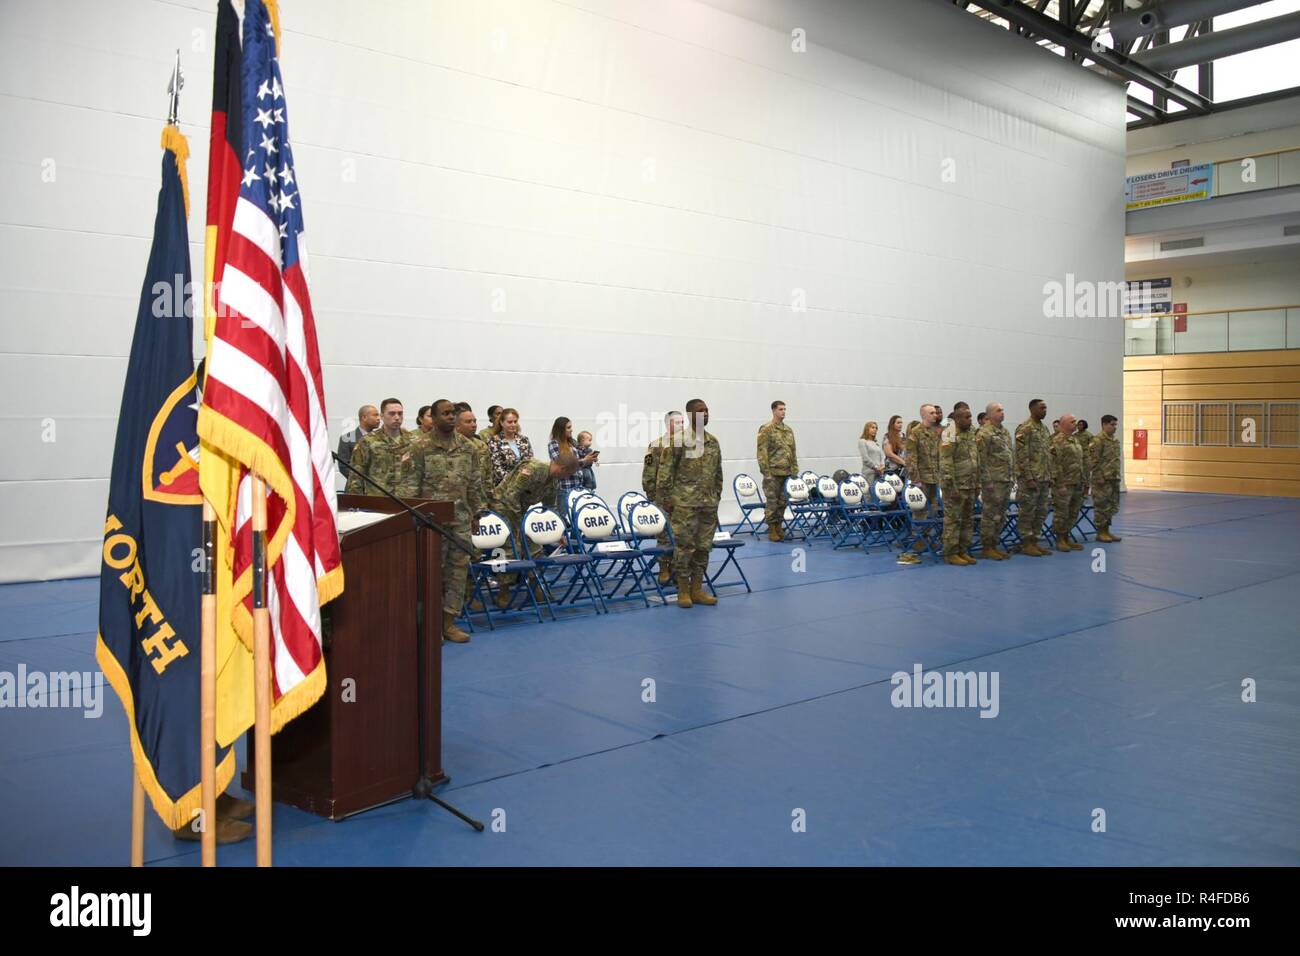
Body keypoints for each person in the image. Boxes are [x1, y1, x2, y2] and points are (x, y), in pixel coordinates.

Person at [412, 400, 483, 643]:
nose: (451, 417)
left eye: (453, 413)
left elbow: (474, 482)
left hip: (460, 519)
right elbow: (410, 486)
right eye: (445, 414)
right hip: (430, 522)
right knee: (432, 574)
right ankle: (429, 626)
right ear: (432, 417)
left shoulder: (467, 447)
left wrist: (477, 513)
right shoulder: (419, 446)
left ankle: (448, 624)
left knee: (457, 573)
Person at [487, 453, 580, 608]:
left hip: (520, 511)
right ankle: (503, 592)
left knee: (534, 545)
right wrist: (520, 524)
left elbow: (550, 509)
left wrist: (557, 533)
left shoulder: (554, 481)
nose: (567, 478)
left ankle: (535, 586)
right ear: (562, 468)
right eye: (568, 474)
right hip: (502, 507)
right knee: (511, 547)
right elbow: (511, 495)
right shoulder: (533, 469)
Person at [663, 399, 723, 607]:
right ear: (689, 415)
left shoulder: (713, 441)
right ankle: (683, 590)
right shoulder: (678, 440)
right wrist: (667, 501)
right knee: (685, 547)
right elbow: (666, 473)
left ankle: (697, 589)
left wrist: (716, 496)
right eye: (700, 411)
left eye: (707, 410)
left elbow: (718, 473)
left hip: (708, 504)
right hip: (685, 504)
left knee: (703, 547)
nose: (705, 414)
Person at [345, 398, 419, 496]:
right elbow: (356, 475)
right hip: (379, 500)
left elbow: (422, 474)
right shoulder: (368, 441)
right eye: (392, 414)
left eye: (400, 413)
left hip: (408, 500)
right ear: (382, 416)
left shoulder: (414, 440)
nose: (397, 417)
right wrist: (356, 503)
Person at [643, 411, 684, 585]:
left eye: (683, 422)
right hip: (663, 497)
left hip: (684, 497)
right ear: (669, 425)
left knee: (682, 535)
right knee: (664, 535)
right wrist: (653, 497)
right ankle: (664, 568)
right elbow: (649, 473)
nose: (683, 425)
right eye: (678, 422)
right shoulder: (656, 445)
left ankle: (679, 569)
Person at [897, 404, 940, 565]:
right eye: (931, 413)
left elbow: (938, 456)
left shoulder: (935, 433)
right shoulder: (915, 433)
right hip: (922, 479)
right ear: (923, 415)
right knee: (920, 510)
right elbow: (911, 459)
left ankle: (927, 537)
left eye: (935, 413)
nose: (935, 415)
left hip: (935, 478)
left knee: (933, 510)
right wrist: (916, 479)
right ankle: (918, 539)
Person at [939, 405, 979, 565]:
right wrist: (952, 485)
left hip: (970, 483)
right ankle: (950, 552)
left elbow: (976, 459)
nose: (970, 420)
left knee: (967, 520)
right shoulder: (949, 433)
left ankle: (963, 550)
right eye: (967, 417)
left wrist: (977, 483)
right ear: (957, 419)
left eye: (971, 417)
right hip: (955, 486)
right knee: (953, 520)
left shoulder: (971, 433)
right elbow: (946, 462)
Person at [1014, 399, 1053, 557]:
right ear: (1032, 409)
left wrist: (1050, 475)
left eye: (1046, 407)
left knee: (1041, 511)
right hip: (1030, 479)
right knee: (1028, 512)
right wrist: (1029, 477)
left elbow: (1048, 454)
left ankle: (1035, 541)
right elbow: (1021, 456)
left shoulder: (1044, 429)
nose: (1045, 410)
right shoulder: (1024, 429)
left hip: (1043, 477)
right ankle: (1026, 543)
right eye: (1041, 408)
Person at [976, 402, 1012, 560]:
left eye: (1003, 410)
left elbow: (1010, 455)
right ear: (989, 415)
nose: (1002, 413)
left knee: (1001, 515)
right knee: (990, 515)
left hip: (1006, 479)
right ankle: (987, 547)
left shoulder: (1004, 432)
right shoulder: (984, 433)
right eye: (998, 411)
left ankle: (994, 544)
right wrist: (987, 480)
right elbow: (980, 459)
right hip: (993, 480)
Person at [757, 400, 798, 542]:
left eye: (785, 409)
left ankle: (779, 525)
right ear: (774, 411)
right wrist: (766, 472)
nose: (783, 412)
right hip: (773, 473)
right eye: (781, 409)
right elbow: (762, 452)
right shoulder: (766, 429)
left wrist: (795, 469)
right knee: (772, 502)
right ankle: (772, 528)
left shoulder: (788, 430)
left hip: (786, 472)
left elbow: (792, 451)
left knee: (783, 502)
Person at [547, 417, 597, 520]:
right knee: (563, 518)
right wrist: (584, 461)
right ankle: (564, 536)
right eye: (568, 427)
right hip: (564, 487)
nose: (571, 430)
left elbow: (581, 455)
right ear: (561, 429)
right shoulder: (554, 444)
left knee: (579, 518)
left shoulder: (572, 442)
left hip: (578, 486)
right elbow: (562, 464)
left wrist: (591, 456)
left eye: (571, 427)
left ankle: (577, 536)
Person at [1049, 412, 1085, 553]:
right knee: (1062, 513)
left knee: (1073, 512)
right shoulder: (1057, 441)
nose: (1075, 424)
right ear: (1063, 424)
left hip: (1076, 482)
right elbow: (1054, 464)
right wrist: (1059, 484)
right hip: (1064, 484)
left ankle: (1066, 537)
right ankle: (1060, 539)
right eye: (1072, 422)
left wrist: (1083, 481)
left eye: (1075, 421)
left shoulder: (1075, 440)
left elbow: (1080, 461)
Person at [1090, 415, 1123, 543]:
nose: (1114, 427)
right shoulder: (1098, 440)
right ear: (1104, 425)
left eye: (1115, 425)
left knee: (1111, 506)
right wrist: (1099, 476)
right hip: (1102, 479)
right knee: (1101, 505)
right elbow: (1094, 460)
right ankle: (1100, 532)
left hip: (1113, 478)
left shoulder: (1114, 441)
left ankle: (1107, 531)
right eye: (1112, 424)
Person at [487, 408, 534, 486]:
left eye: (515, 422)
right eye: (510, 422)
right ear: (502, 423)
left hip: (525, 487)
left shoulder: (524, 440)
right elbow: (497, 469)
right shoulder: (494, 441)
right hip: (505, 488)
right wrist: (516, 481)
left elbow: (531, 462)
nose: (513, 424)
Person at [337, 403, 379, 469]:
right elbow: (344, 466)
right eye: (375, 415)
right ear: (364, 417)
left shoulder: (382, 437)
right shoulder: (347, 438)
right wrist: (358, 479)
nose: (379, 418)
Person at [1074, 419, 1094, 494]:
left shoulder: (1088, 435)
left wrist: (1092, 458)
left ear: (1084, 425)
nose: (1079, 426)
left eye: (1081, 425)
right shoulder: (1075, 435)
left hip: (1086, 458)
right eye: (1078, 425)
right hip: (1077, 458)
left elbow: (1093, 446)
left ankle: (1086, 492)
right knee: (1078, 475)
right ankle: (1078, 492)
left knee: (1086, 475)